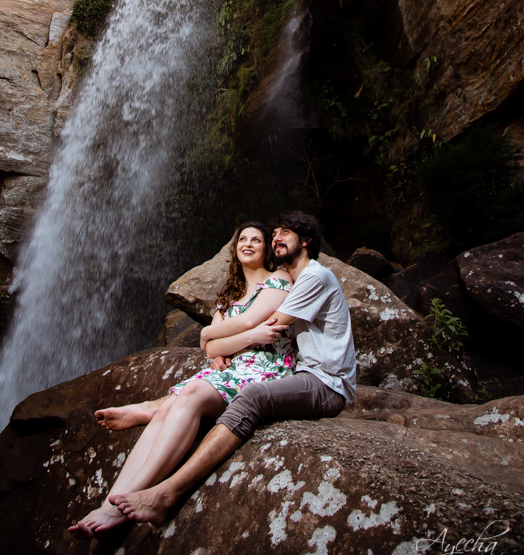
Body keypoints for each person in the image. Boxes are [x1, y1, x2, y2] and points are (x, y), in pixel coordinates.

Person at [111, 210, 356, 526]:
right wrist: (214, 344)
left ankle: (167, 493)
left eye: (284, 233)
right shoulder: (289, 280)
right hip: (307, 375)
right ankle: (132, 469)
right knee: (199, 392)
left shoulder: (312, 276)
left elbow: (268, 326)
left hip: (326, 382)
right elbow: (241, 337)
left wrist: (209, 334)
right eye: (274, 234)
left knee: (252, 396)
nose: (275, 238)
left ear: (306, 240)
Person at [68, 221, 294, 538]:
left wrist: (221, 337)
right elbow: (212, 346)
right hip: (233, 370)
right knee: (167, 409)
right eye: (242, 238)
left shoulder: (279, 279)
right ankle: (111, 503)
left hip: (268, 368)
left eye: (256, 239)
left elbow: (251, 325)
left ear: (267, 249)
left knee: (191, 393)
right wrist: (233, 338)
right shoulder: (228, 298)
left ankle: (129, 501)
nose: (248, 243)